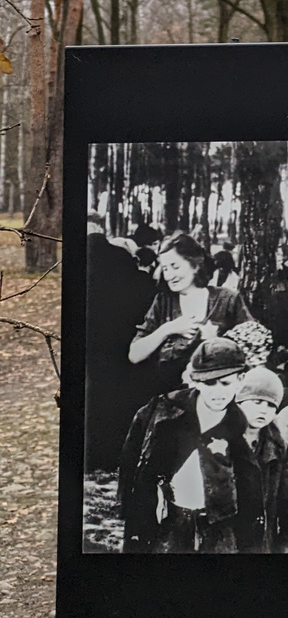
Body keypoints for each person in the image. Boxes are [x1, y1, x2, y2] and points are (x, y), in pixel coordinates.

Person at [118, 337, 252, 553]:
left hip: (218, 529)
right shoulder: (163, 412)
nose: (218, 392)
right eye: (209, 383)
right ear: (196, 380)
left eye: (226, 383)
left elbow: (250, 488)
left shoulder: (240, 425)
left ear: (241, 379)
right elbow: (131, 466)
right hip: (169, 522)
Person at [127, 233, 255, 395]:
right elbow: (135, 354)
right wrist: (168, 328)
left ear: (195, 265)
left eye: (175, 266)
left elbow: (254, 352)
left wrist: (215, 341)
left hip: (219, 399)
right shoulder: (163, 302)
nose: (169, 275)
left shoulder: (227, 299)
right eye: (165, 268)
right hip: (170, 401)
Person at [85, 218, 149, 470]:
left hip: (92, 348)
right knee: (118, 401)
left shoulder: (85, 264)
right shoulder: (122, 262)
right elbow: (145, 297)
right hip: (122, 350)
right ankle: (115, 456)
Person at [231, 367, 288, 554]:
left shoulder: (278, 446)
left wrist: (284, 546)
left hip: (264, 546)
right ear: (239, 401)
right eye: (257, 401)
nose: (264, 410)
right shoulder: (221, 441)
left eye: (271, 405)